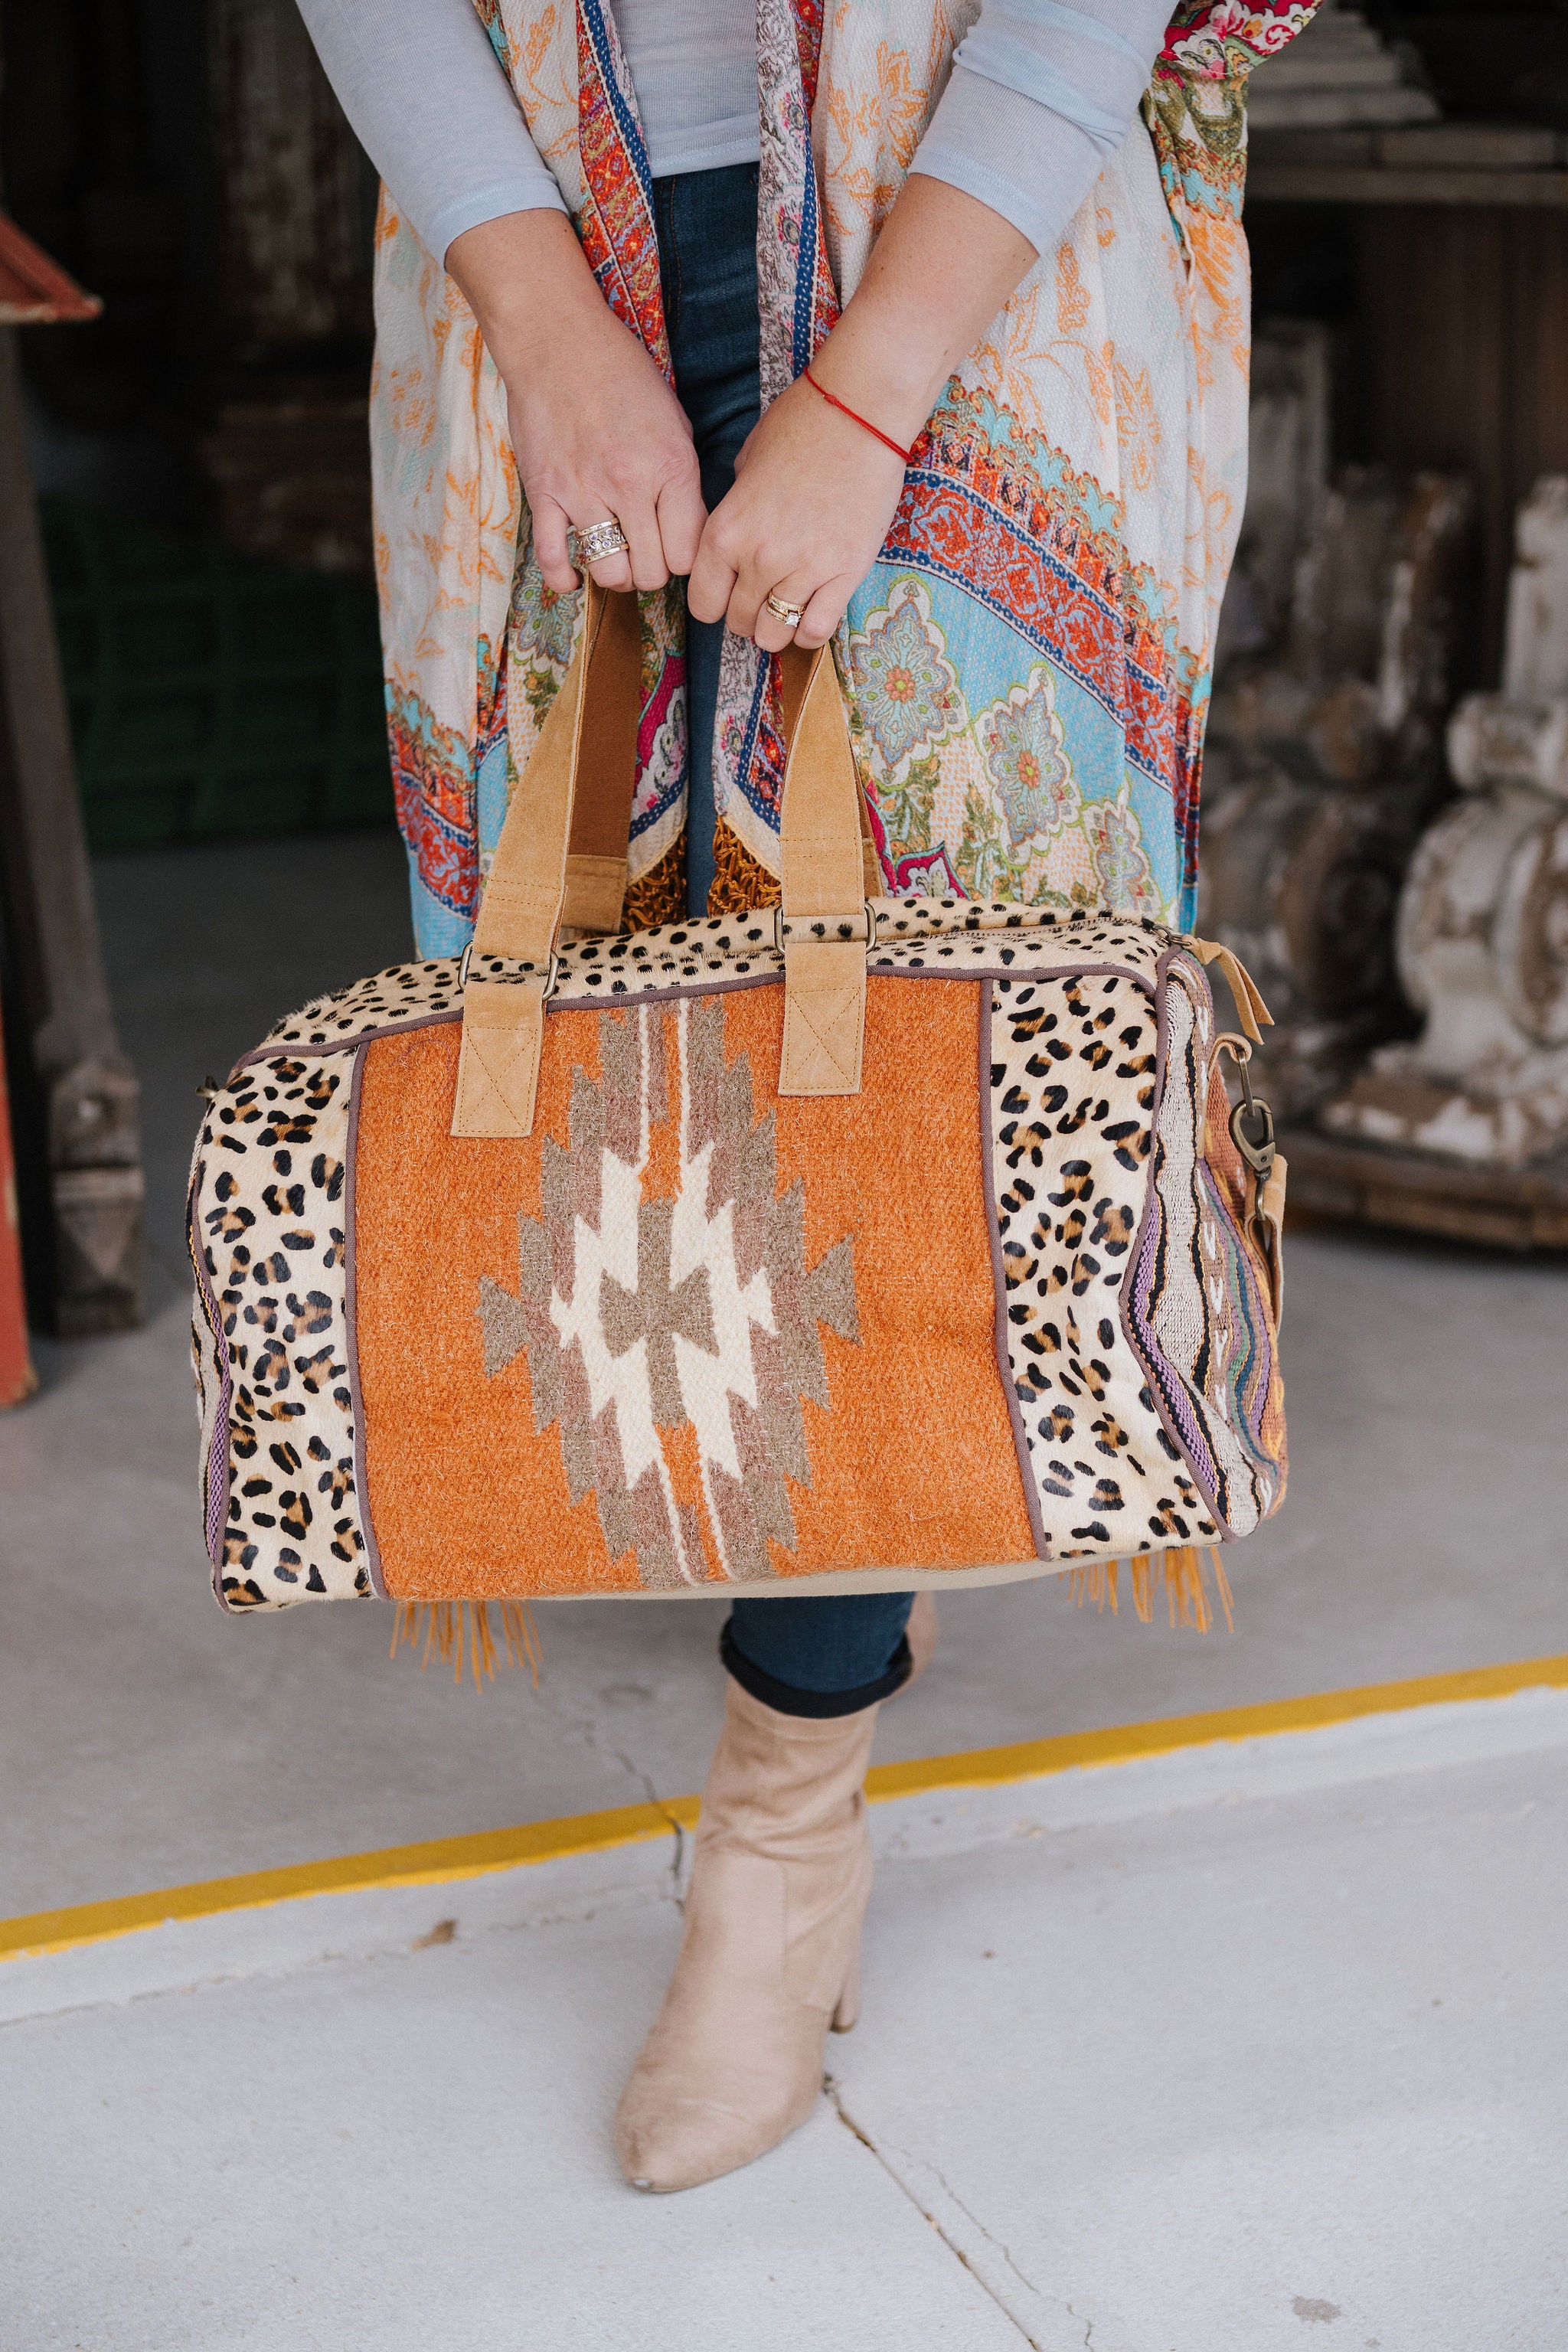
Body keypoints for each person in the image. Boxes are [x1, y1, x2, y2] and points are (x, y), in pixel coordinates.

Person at [298, 0, 1315, 2194]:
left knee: (889, 1081)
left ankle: (782, 1825)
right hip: (536, 234)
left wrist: (864, 398)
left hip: (969, 251)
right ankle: (864, 1561)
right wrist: (540, 316)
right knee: (641, 1061)